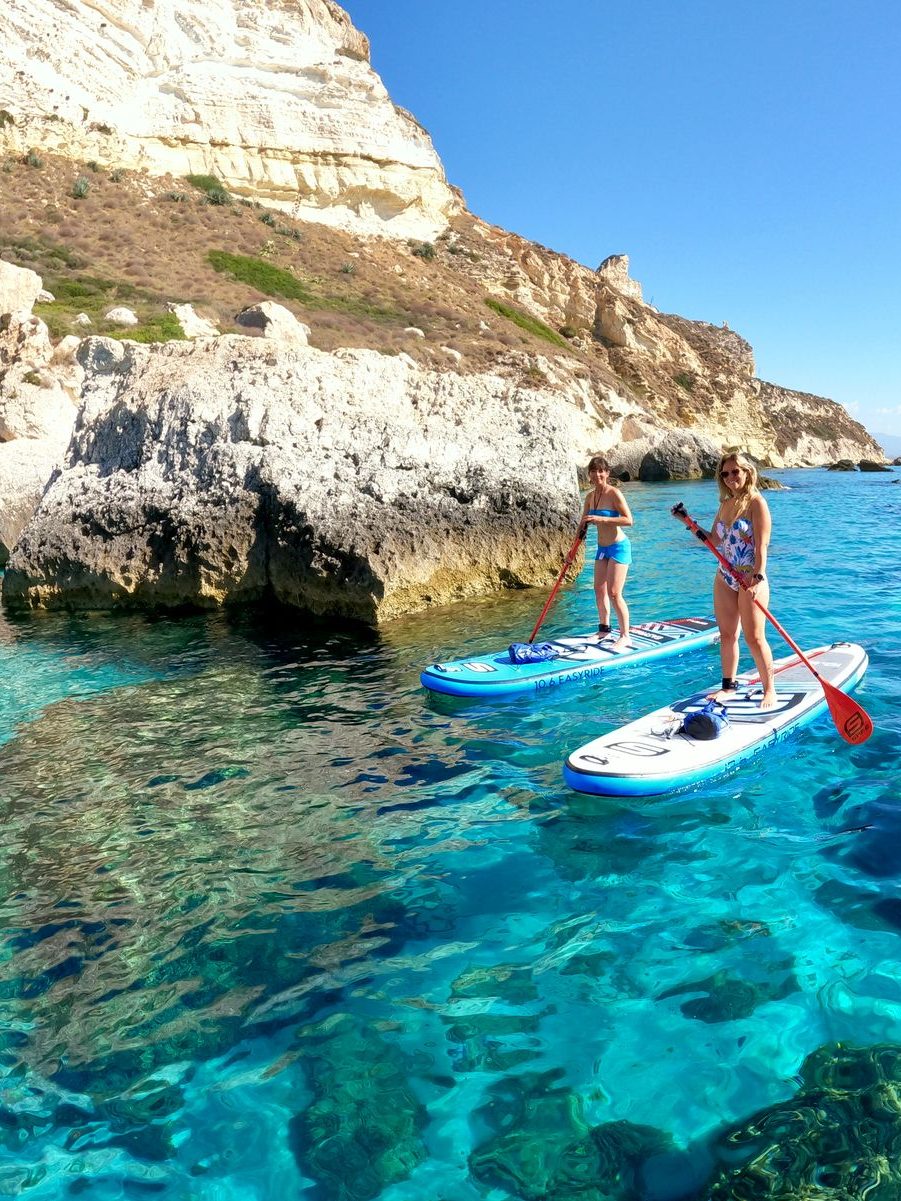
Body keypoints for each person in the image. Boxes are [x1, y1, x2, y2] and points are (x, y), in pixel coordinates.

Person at [674, 451, 776, 708]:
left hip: (750, 578)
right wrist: (688, 522)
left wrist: (757, 577)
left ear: (747, 472)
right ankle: (728, 687)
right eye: (726, 473)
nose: (731, 477)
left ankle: (770, 690)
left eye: (735, 472)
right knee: (727, 634)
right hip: (725, 576)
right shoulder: (725, 504)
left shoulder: (756, 503)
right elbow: (715, 541)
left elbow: (762, 547)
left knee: (754, 637)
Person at [579, 455, 634, 648]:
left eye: (601, 471)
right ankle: (604, 629)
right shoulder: (589, 497)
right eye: (593, 471)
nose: (597, 474)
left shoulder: (614, 494)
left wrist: (603, 520)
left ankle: (625, 635)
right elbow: (583, 523)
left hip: (619, 547)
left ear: (607, 473)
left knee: (614, 593)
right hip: (602, 549)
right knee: (598, 590)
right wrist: (573, 549)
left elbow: (628, 520)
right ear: (590, 474)